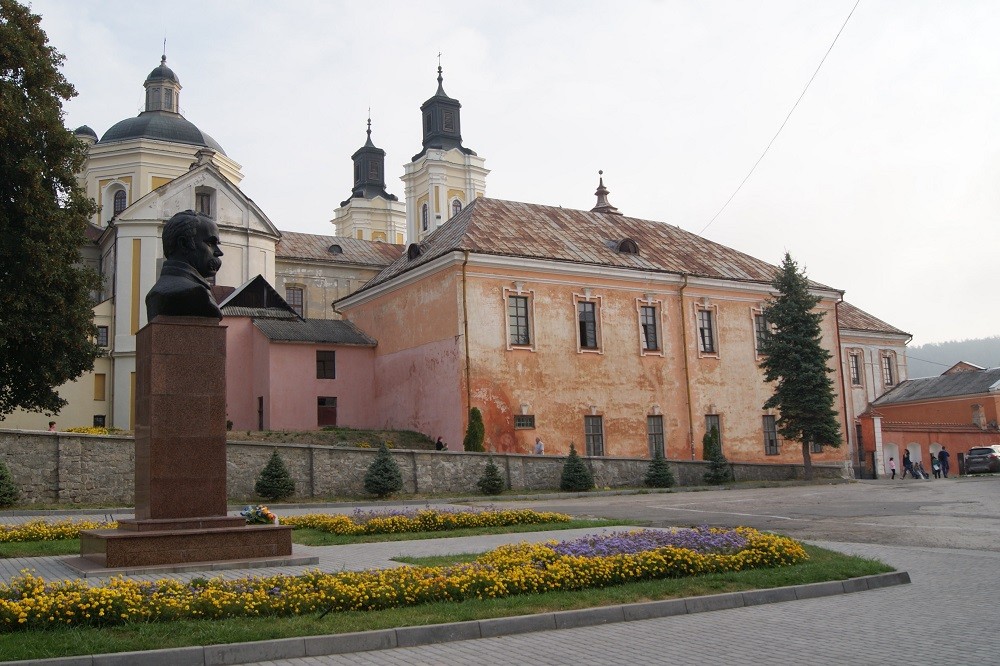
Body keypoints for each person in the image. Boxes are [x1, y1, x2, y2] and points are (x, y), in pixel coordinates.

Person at [145, 210, 224, 321]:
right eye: (210, 243)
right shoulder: (196, 293)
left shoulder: (157, 292)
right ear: (183, 243)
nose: (219, 252)